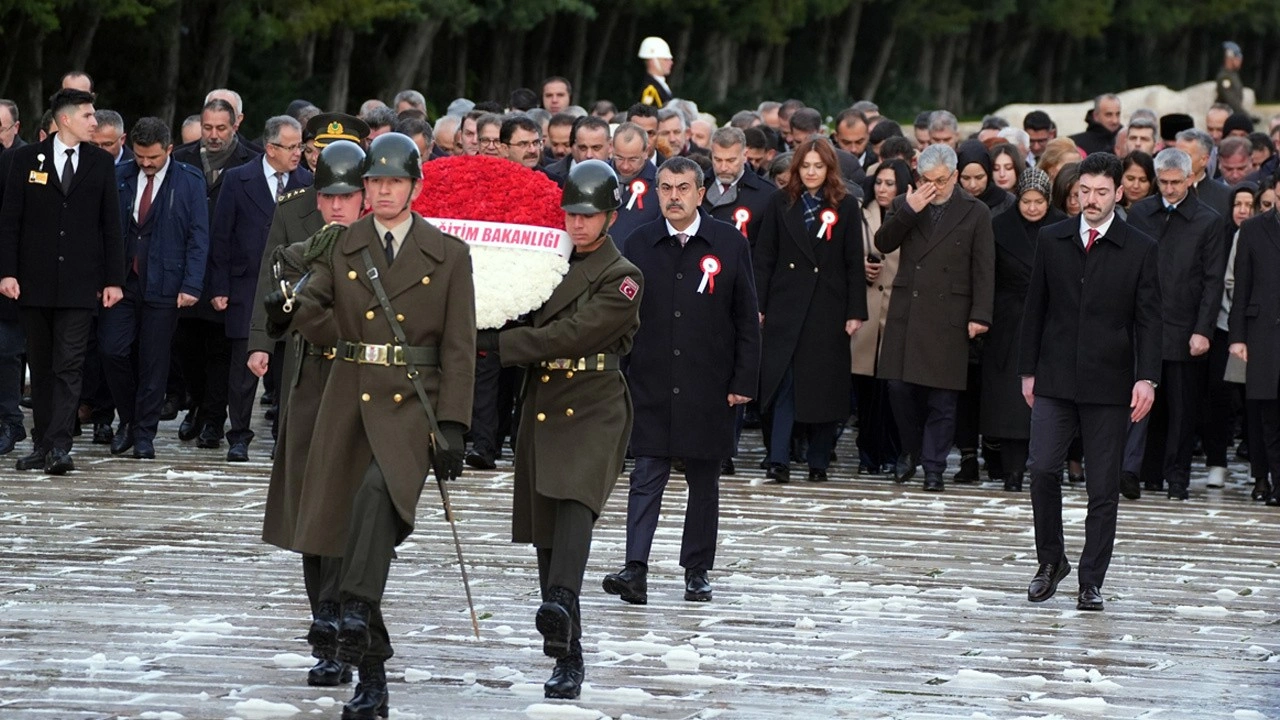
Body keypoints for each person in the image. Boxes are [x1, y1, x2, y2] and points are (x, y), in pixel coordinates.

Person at [291, 132, 476, 719]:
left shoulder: (448, 253)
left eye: (395, 180)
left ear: (416, 187)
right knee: (348, 527)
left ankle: (352, 609)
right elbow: (315, 311)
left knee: (376, 503)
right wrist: (288, 308)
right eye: (375, 181)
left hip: (411, 408)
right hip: (347, 400)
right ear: (365, 188)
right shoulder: (344, 246)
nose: (385, 189)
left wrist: (453, 425)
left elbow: (460, 347)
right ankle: (371, 672)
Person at [479, 159, 642, 700]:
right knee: (547, 529)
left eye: (589, 215)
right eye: (571, 213)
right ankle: (566, 653)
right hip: (544, 400)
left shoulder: (624, 278)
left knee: (575, 503)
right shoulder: (544, 265)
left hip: (594, 404)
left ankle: (561, 605)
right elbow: (519, 311)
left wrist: (502, 349)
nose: (577, 224)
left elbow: (575, 333)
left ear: (611, 217)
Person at [602, 156, 759, 606]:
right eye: (665, 187)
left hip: (709, 383)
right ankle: (635, 567)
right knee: (646, 473)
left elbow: (746, 317)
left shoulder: (728, 244)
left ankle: (696, 570)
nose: (673, 196)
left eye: (683, 188)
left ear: (701, 192)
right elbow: (619, 314)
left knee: (703, 480)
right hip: (650, 379)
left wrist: (743, 380)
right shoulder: (638, 242)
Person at [1020, 152, 1160, 611]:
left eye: (1102, 192)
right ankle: (1050, 562)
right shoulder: (1053, 238)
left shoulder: (1139, 247)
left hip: (1111, 381)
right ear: (1075, 191)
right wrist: (1028, 371)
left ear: (1119, 193)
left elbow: (1149, 321)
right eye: (1085, 191)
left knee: (1103, 486)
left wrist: (1147, 379)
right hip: (1055, 376)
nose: (1092, 200)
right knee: (1041, 468)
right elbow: (1034, 308)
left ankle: (1091, 579)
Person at [254, 139, 367, 689]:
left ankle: (342, 624)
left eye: (348, 196)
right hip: (307, 383)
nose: (338, 206)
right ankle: (323, 624)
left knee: (344, 512)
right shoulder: (296, 236)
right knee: (305, 512)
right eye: (329, 196)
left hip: (357, 384)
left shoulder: (377, 246)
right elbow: (270, 293)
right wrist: (265, 331)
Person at [0, 88, 124, 474]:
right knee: (39, 363)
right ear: (65, 119)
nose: (94, 122)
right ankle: (42, 442)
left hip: (79, 282)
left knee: (69, 364)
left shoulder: (99, 164)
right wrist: (7, 272)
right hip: (34, 281)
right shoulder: (24, 158)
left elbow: (112, 227)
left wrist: (113, 279)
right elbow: (10, 221)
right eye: (88, 116)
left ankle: (60, 445)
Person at [875, 143, 994, 491]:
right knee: (898, 388)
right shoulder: (905, 204)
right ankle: (911, 451)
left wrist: (981, 314)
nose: (936, 187)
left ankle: (933, 468)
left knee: (943, 398)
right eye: (928, 180)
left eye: (942, 180)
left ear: (955, 176)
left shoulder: (976, 211)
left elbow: (984, 268)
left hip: (950, 313)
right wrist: (909, 210)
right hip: (907, 311)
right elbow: (883, 243)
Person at [754, 138, 866, 483]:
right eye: (807, 166)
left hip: (827, 308)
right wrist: (759, 304)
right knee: (783, 383)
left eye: (819, 166)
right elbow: (764, 257)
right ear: (797, 169)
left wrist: (855, 311)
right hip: (786, 304)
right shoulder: (778, 203)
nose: (813, 172)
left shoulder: (846, 206)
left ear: (829, 168)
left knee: (823, 385)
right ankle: (778, 459)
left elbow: (852, 263)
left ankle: (818, 460)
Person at [100, 117, 208, 460]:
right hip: (122, 283)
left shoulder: (189, 181)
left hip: (167, 283)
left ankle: (144, 433)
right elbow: (103, 231)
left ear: (170, 150)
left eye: (154, 158)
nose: (146, 164)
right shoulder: (118, 178)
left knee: (154, 361)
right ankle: (128, 420)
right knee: (112, 350)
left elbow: (198, 236)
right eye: (141, 156)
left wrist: (192, 283)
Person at [1122, 148, 1226, 501]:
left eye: (1175, 182)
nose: (1168, 189)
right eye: (1163, 182)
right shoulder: (1140, 213)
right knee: (1144, 403)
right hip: (1144, 325)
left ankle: (1177, 477)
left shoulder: (1208, 221)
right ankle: (1144, 474)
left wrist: (1203, 330)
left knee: (1182, 409)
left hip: (1185, 328)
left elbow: (1213, 281)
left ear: (1190, 179)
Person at [209, 115, 313, 462]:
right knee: (244, 367)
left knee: (287, 369)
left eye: (300, 145)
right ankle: (238, 435)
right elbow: (221, 236)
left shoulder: (308, 182)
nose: (299, 153)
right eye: (292, 146)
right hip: (246, 286)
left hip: (293, 288)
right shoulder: (238, 179)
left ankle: (283, 436)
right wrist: (219, 286)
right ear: (271, 148)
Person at [172, 98, 261, 451]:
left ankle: (212, 418)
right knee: (185, 347)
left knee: (221, 351)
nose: (212, 135)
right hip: (187, 270)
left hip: (229, 271)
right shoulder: (181, 158)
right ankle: (196, 404)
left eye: (220, 128)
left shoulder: (252, 161)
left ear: (235, 125)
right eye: (207, 128)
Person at [981, 169, 1065, 492]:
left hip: (1050, 320)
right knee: (1009, 400)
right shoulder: (1000, 225)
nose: (1031, 208)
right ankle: (1011, 471)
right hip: (1008, 320)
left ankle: (1045, 467)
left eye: (1038, 201)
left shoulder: (1061, 226)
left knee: (1045, 397)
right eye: (1026, 201)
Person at [852, 160, 911, 475]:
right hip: (867, 309)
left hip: (898, 308)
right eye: (880, 182)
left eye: (890, 183)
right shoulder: (860, 212)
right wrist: (861, 265)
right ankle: (867, 455)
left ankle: (892, 452)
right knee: (865, 389)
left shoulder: (912, 213)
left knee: (892, 390)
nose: (883, 189)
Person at [701, 126, 774, 246]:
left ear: (745, 155)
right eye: (718, 160)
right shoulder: (696, 185)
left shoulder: (767, 194)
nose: (723, 167)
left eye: (731, 160)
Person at [957, 139, 1014, 216]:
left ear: (988, 174)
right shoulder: (949, 203)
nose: (972, 185)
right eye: (966, 178)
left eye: (979, 177)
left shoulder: (1007, 202)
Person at [638, 36, 674, 108]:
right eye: (666, 59)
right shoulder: (650, 90)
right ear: (652, 61)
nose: (671, 62)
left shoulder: (660, 84)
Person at [1216, 42, 1246, 116]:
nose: (1240, 62)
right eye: (1238, 58)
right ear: (1230, 58)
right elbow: (1231, 101)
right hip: (1225, 115)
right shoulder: (1225, 77)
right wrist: (1246, 116)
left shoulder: (1233, 75)